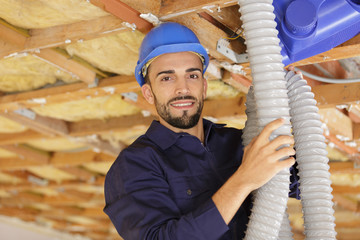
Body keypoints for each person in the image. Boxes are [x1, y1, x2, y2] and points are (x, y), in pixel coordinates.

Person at [104, 22, 299, 240]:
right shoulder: (134, 165)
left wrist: (290, 103)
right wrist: (244, 179)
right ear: (148, 93)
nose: (183, 88)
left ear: (204, 86)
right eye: (167, 78)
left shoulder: (239, 143)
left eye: (192, 75)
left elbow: (306, 182)